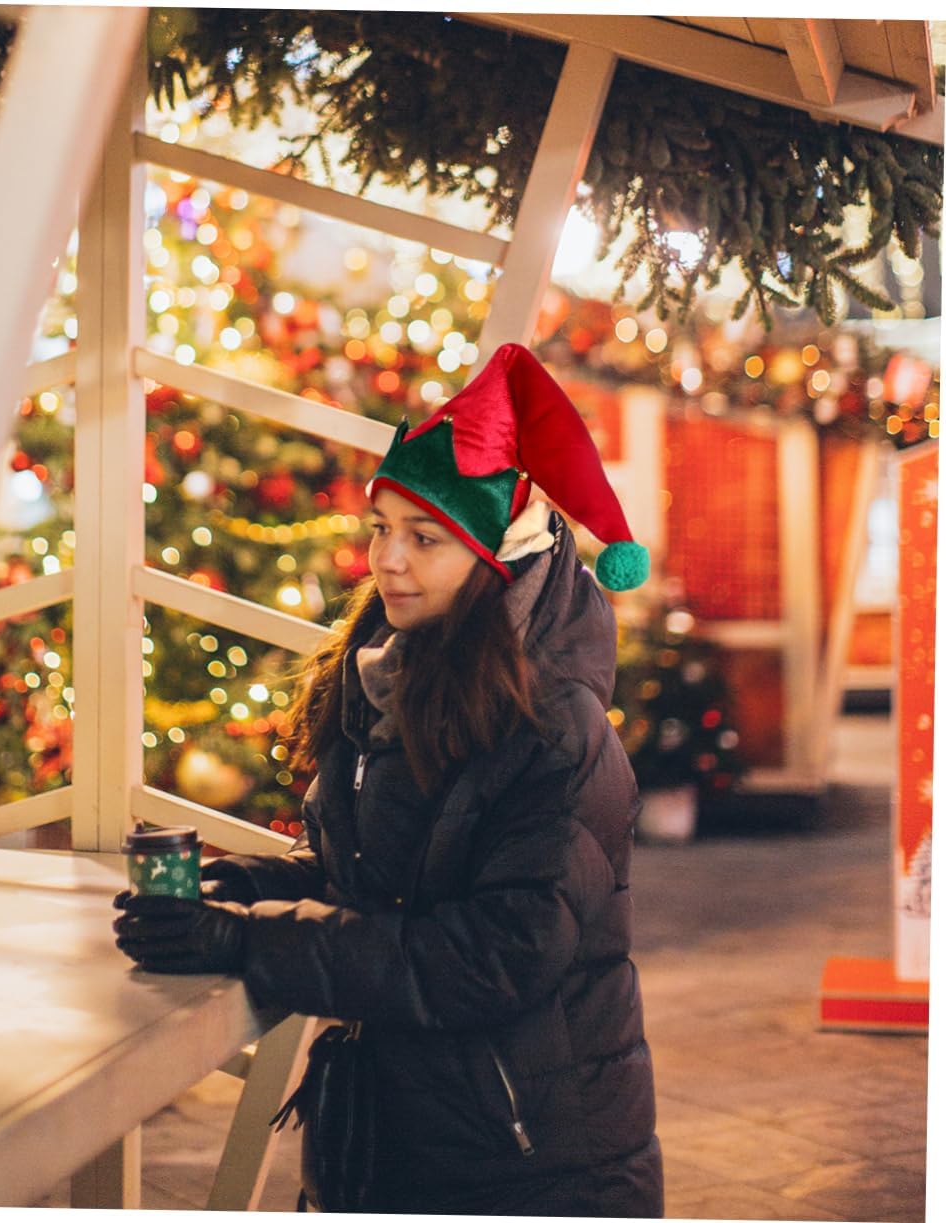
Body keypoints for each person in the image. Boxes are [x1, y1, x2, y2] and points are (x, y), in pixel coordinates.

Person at [114, 342, 664, 1217]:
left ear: (494, 557)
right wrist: (236, 888)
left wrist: (245, 944)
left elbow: (494, 957)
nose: (386, 560)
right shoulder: (387, 674)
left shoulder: (554, 728)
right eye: (379, 527)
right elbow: (374, 878)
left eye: (423, 538)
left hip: (529, 1163)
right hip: (398, 1132)